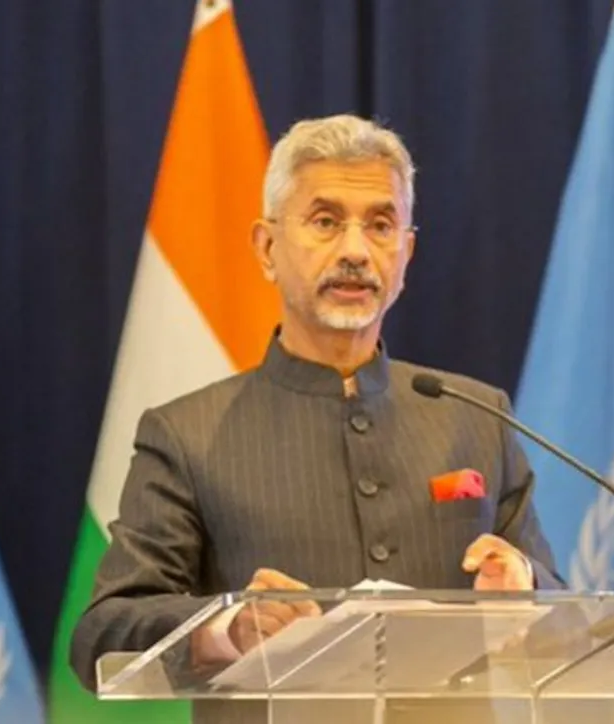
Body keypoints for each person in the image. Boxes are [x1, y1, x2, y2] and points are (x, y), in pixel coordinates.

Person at [70, 114, 565, 722]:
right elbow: (101, 637)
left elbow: (562, 613)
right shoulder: (186, 434)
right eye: (326, 221)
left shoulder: (475, 414)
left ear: (406, 253)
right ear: (268, 247)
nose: (356, 251)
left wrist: (526, 586)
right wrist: (227, 627)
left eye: (381, 225)